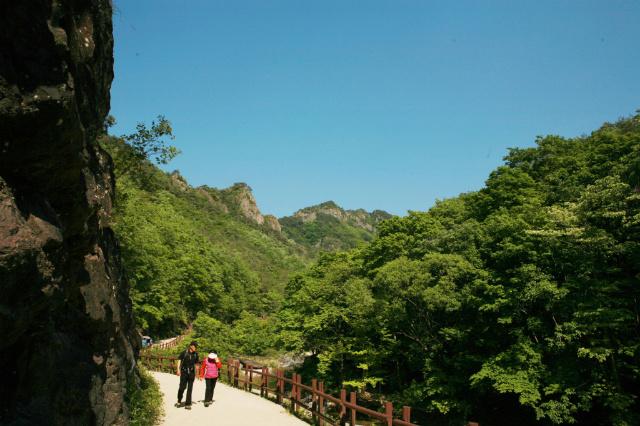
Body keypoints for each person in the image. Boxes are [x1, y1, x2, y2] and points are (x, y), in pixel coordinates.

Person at [176, 341, 200, 409]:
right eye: (194, 346)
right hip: (184, 371)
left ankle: (188, 403)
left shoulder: (196, 355)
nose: (195, 347)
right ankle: (179, 399)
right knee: (182, 387)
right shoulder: (184, 353)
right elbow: (179, 361)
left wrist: (197, 373)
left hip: (192, 372)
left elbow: (197, 364)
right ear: (190, 346)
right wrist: (178, 370)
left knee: (190, 388)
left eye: (196, 346)